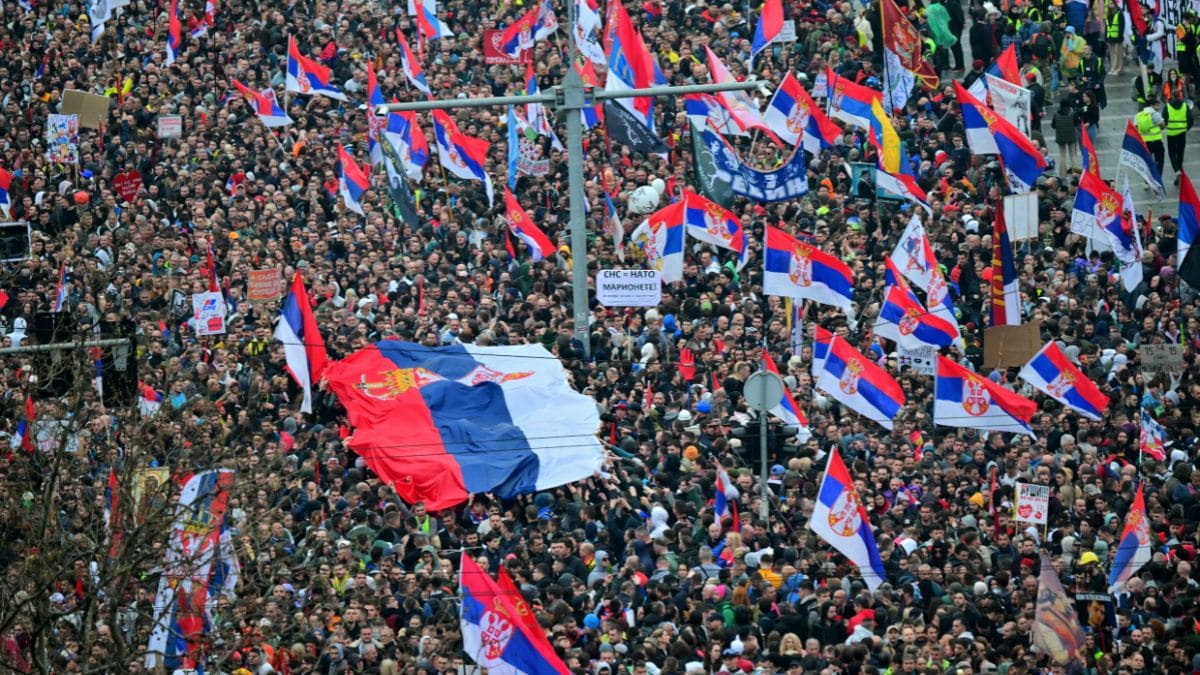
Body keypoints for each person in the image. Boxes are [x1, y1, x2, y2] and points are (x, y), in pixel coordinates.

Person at [1164, 89, 1193, 184]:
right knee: (1180, 154)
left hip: (1171, 134)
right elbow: (1190, 120)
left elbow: (1164, 120)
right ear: (1180, 95)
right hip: (1181, 134)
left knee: (1172, 153)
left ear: (1172, 96)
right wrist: (1186, 128)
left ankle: (1177, 171)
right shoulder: (1185, 106)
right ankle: (1179, 171)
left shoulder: (1167, 106)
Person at [1136, 95, 1167, 172]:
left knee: (1147, 161)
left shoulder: (1139, 115)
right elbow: (1163, 125)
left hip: (1144, 143)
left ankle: (1147, 179)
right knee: (1160, 160)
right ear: (1151, 105)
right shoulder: (1154, 114)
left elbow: (1135, 127)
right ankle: (1158, 177)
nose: (1158, 108)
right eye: (1156, 105)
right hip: (1156, 142)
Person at [1052, 100, 1080, 172]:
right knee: (1073, 155)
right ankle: (1076, 174)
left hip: (1060, 137)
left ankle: (1062, 174)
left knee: (1062, 155)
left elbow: (1053, 125)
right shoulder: (1072, 114)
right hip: (1071, 137)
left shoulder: (1056, 114)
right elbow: (1077, 123)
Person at [1106, 2, 1126, 75]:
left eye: (1112, 3)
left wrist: (1120, 36)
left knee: (1118, 53)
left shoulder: (1119, 13)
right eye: (1109, 4)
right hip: (1110, 36)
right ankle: (1113, 68)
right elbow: (1107, 26)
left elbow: (1122, 26)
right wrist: (1106, 36)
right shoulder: (1108, 14)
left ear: (1115, 4)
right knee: (1111, 54)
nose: (1110, 5)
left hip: (1118, 37)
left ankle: (1118, 69)